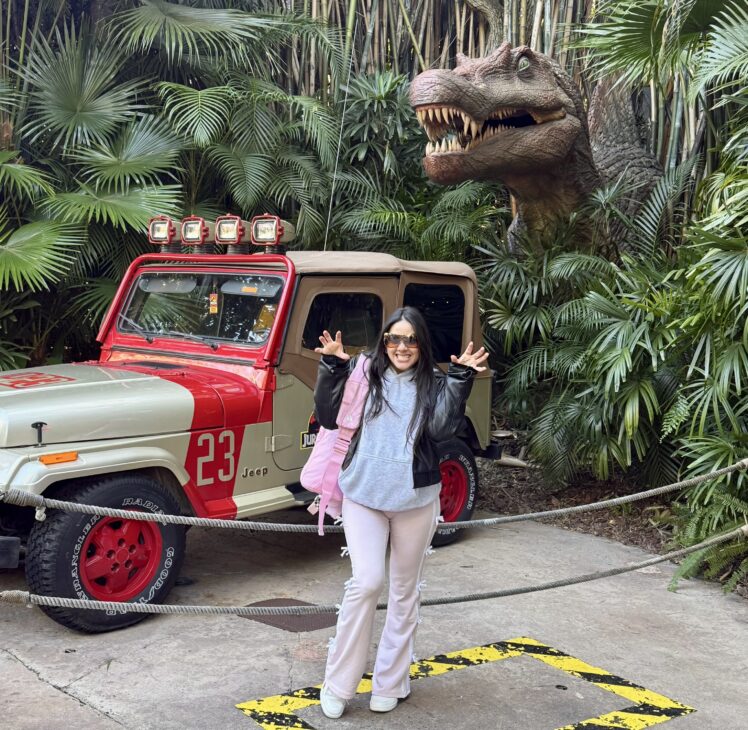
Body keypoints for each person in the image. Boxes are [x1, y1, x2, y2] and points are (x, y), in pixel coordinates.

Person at [313, 306, 489, 719]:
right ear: (384, 340)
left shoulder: (435, 383)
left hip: (415, 501)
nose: (402, 347)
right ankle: (338, 683)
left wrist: (460, 377)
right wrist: (332, 368)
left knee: (405, 591)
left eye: (411, 340)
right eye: (395, 338)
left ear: (422, 344)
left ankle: (391, 682)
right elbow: (328, 416)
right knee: (366, 582)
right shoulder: (363, 371)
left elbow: (442, 429)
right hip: (364, 496)